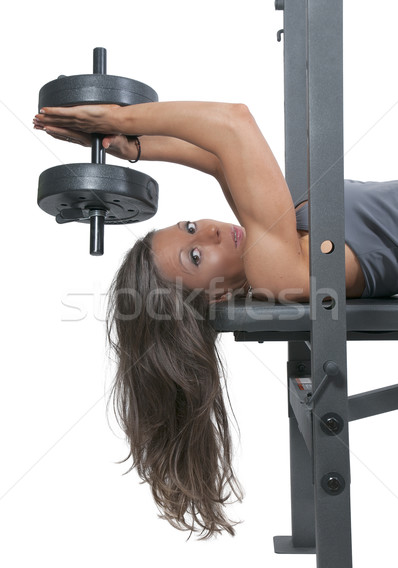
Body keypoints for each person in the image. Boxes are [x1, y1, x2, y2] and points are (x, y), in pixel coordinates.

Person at [33, 101, 398, 537]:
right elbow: (233, 124)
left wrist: (130, 147)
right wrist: (119, 116)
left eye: (189, 226)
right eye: (195, 256)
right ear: (216, 294)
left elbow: (218, 159)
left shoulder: (271, 236)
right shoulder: (275, 270)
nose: (209, 232)